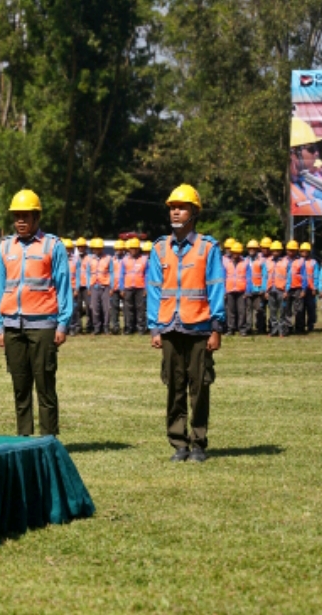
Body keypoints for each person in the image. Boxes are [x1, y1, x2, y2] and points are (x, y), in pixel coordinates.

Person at [147, 184, 224, 463]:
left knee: (200, 386)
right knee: (174, 386)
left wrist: (216, 327)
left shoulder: (208, 248)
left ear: (194, 212)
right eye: (172, 207)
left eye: (181, 207)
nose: (176, 211)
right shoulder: (159, 248)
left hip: (200, 327)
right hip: (169, 327)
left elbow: (216, 287)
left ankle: (199, 443)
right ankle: (179, 443)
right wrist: (154, 327)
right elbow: (154, 289)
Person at [0, 189, 72, 437]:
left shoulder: (53, 246)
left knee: (45, 385)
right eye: (17, 216)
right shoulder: (5, 248)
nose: (20, 221)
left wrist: (62, 324)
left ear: (36, 218)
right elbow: (0, 289)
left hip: (43, 326)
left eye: (25, 216)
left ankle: (48, 439)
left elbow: (63, 285)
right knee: (20, 386)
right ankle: (23, 439)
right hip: (13, 326)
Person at [122, 237, 148, 334]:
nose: (133, 250)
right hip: (128, 287)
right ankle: (129, 328)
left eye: (135, 248)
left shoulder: (144, 259)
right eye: (132, 248)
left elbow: (147, 275)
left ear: (138, 249)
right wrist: (122, 288)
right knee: (128, 308)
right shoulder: (125, 260)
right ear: (129, 249)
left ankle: (141, 328)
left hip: (140, 287)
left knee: (140, 308)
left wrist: (146, 288)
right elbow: (122, 275)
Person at [223, 242, 249, 335]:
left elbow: (248, 277)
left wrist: (247, 290)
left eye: (237, 252)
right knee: (230, 311)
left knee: (242, 311)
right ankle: (231, 329)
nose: (235, 254)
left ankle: (242, 329)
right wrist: (224, 291)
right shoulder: (227, 263)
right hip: (229, 290)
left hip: (241, 291)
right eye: (234, 252)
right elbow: (223, 277)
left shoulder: (245, 263)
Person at [87, 238, 112, 335]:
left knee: (106, 308)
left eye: (99, 248)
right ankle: (97, 328)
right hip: (94, 286)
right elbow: (88, 274)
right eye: (95, 248)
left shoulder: (108, 258)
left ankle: (106, 327)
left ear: (102, 248)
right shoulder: (90, 259)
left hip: (105, 286)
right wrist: (89, 287)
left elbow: (111, 273)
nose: (97, 250)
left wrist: (111, 286)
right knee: (94, 308)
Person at [297, 242, 319, 334]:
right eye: (303, 251)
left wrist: (315, 288)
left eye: (306, 251)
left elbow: (316, 276)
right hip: (300, 288)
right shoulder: (297, 262)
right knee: (300, 308)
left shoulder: (313, 262)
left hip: (310, 289)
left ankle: (310, 325)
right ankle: (300, 325)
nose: (304, 253)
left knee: (311, 308)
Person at [108, 240, 124, 334]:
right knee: (114, 309)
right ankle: (115, 327)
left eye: (120, 249)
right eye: (117, 249)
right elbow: (110, 274)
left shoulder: (126, 259)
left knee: (126, 309)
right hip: (114, 287)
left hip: (124, 288)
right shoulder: (112, 260)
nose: (119, 250)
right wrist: (111, 287)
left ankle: (127, 327)